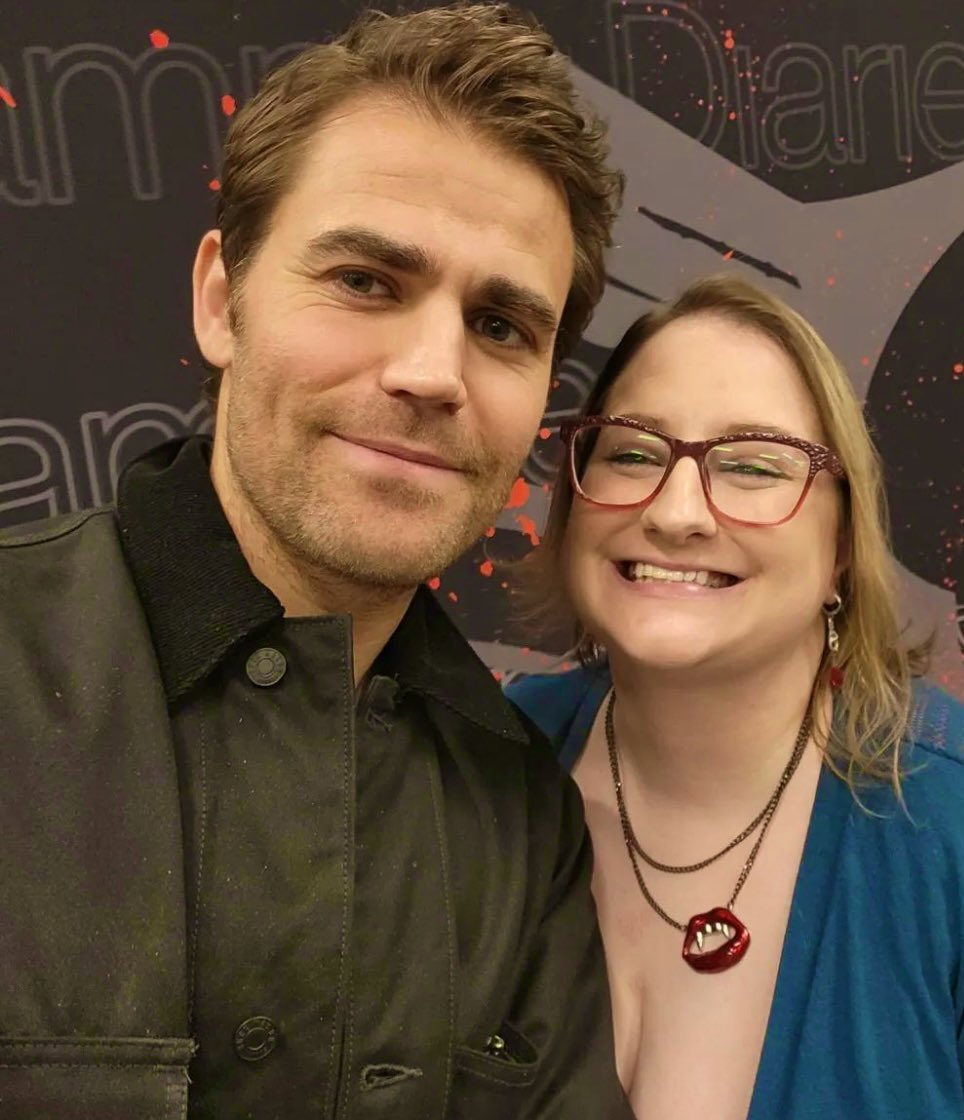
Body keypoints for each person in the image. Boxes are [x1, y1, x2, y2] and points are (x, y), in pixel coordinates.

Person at [0, 6, 631, 1118]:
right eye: (366, 282)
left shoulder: (522, 815)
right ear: (219, 299)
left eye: (499, 326)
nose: (433, 371)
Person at [507, 274, 964, 1120]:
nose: (677, 512)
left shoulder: (951, 817)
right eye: (634, 452)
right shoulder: (481, 759)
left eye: (753, 466)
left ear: (841, 548)